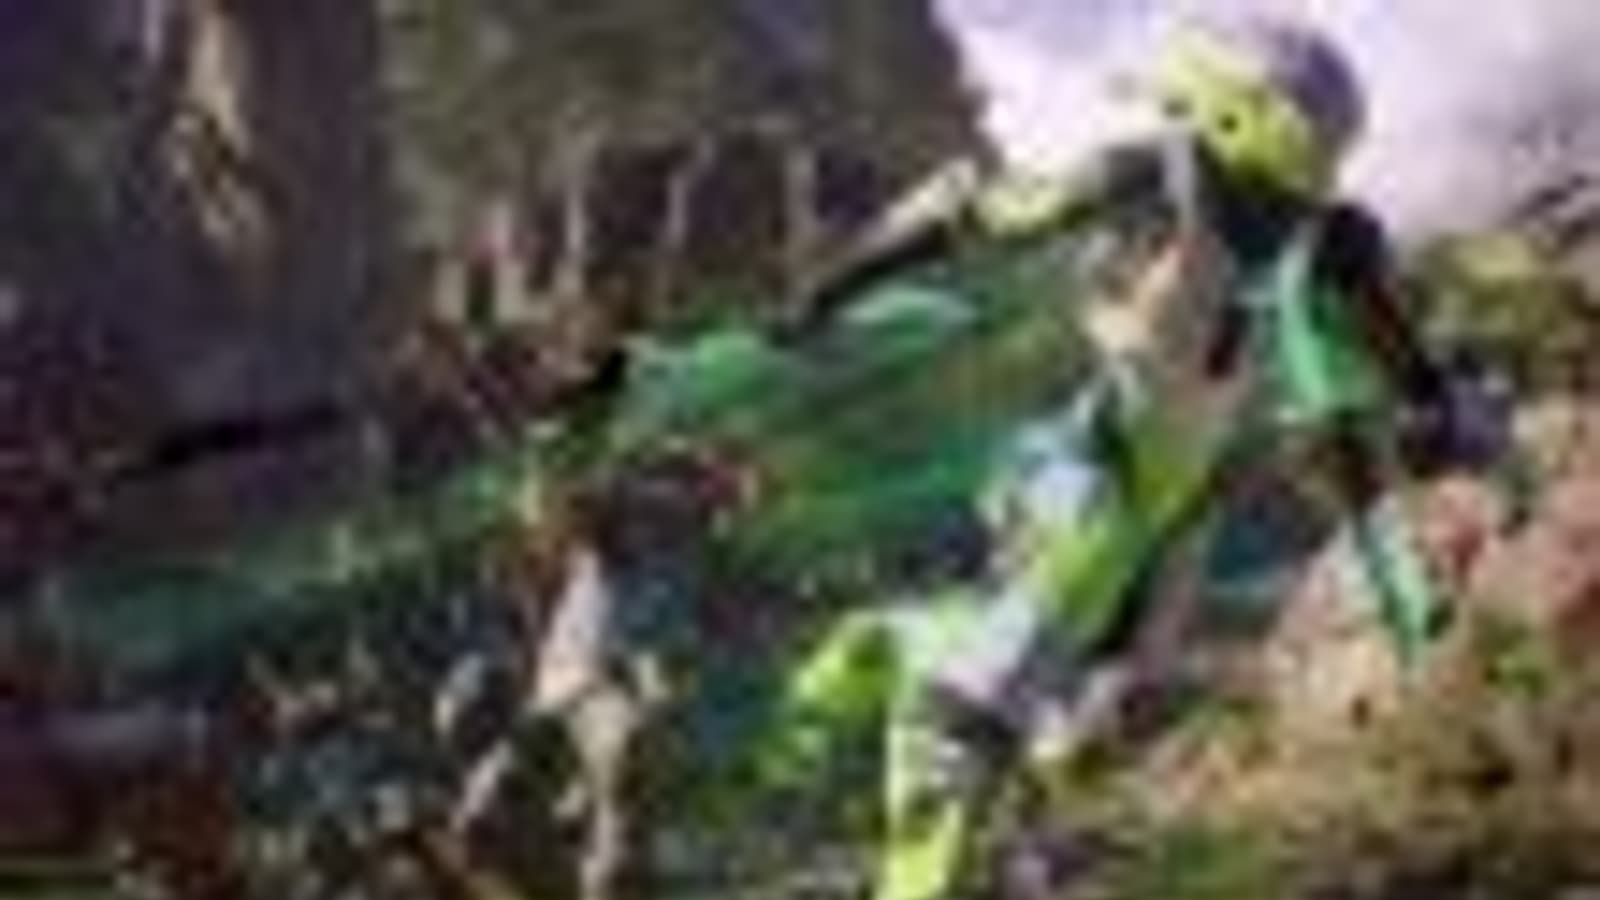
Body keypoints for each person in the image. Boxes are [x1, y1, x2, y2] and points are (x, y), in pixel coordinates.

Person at [743, 12, 1480, 900]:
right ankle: (850, 804)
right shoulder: (1187, 187)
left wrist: (1429, 419)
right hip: (1110, 480)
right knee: (972, 708)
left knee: (1039, 730)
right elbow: (971, 212)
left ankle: (862, 693)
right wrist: (827, 294)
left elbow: (1407, 361)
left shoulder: (1300, 227)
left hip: (1154, 506)